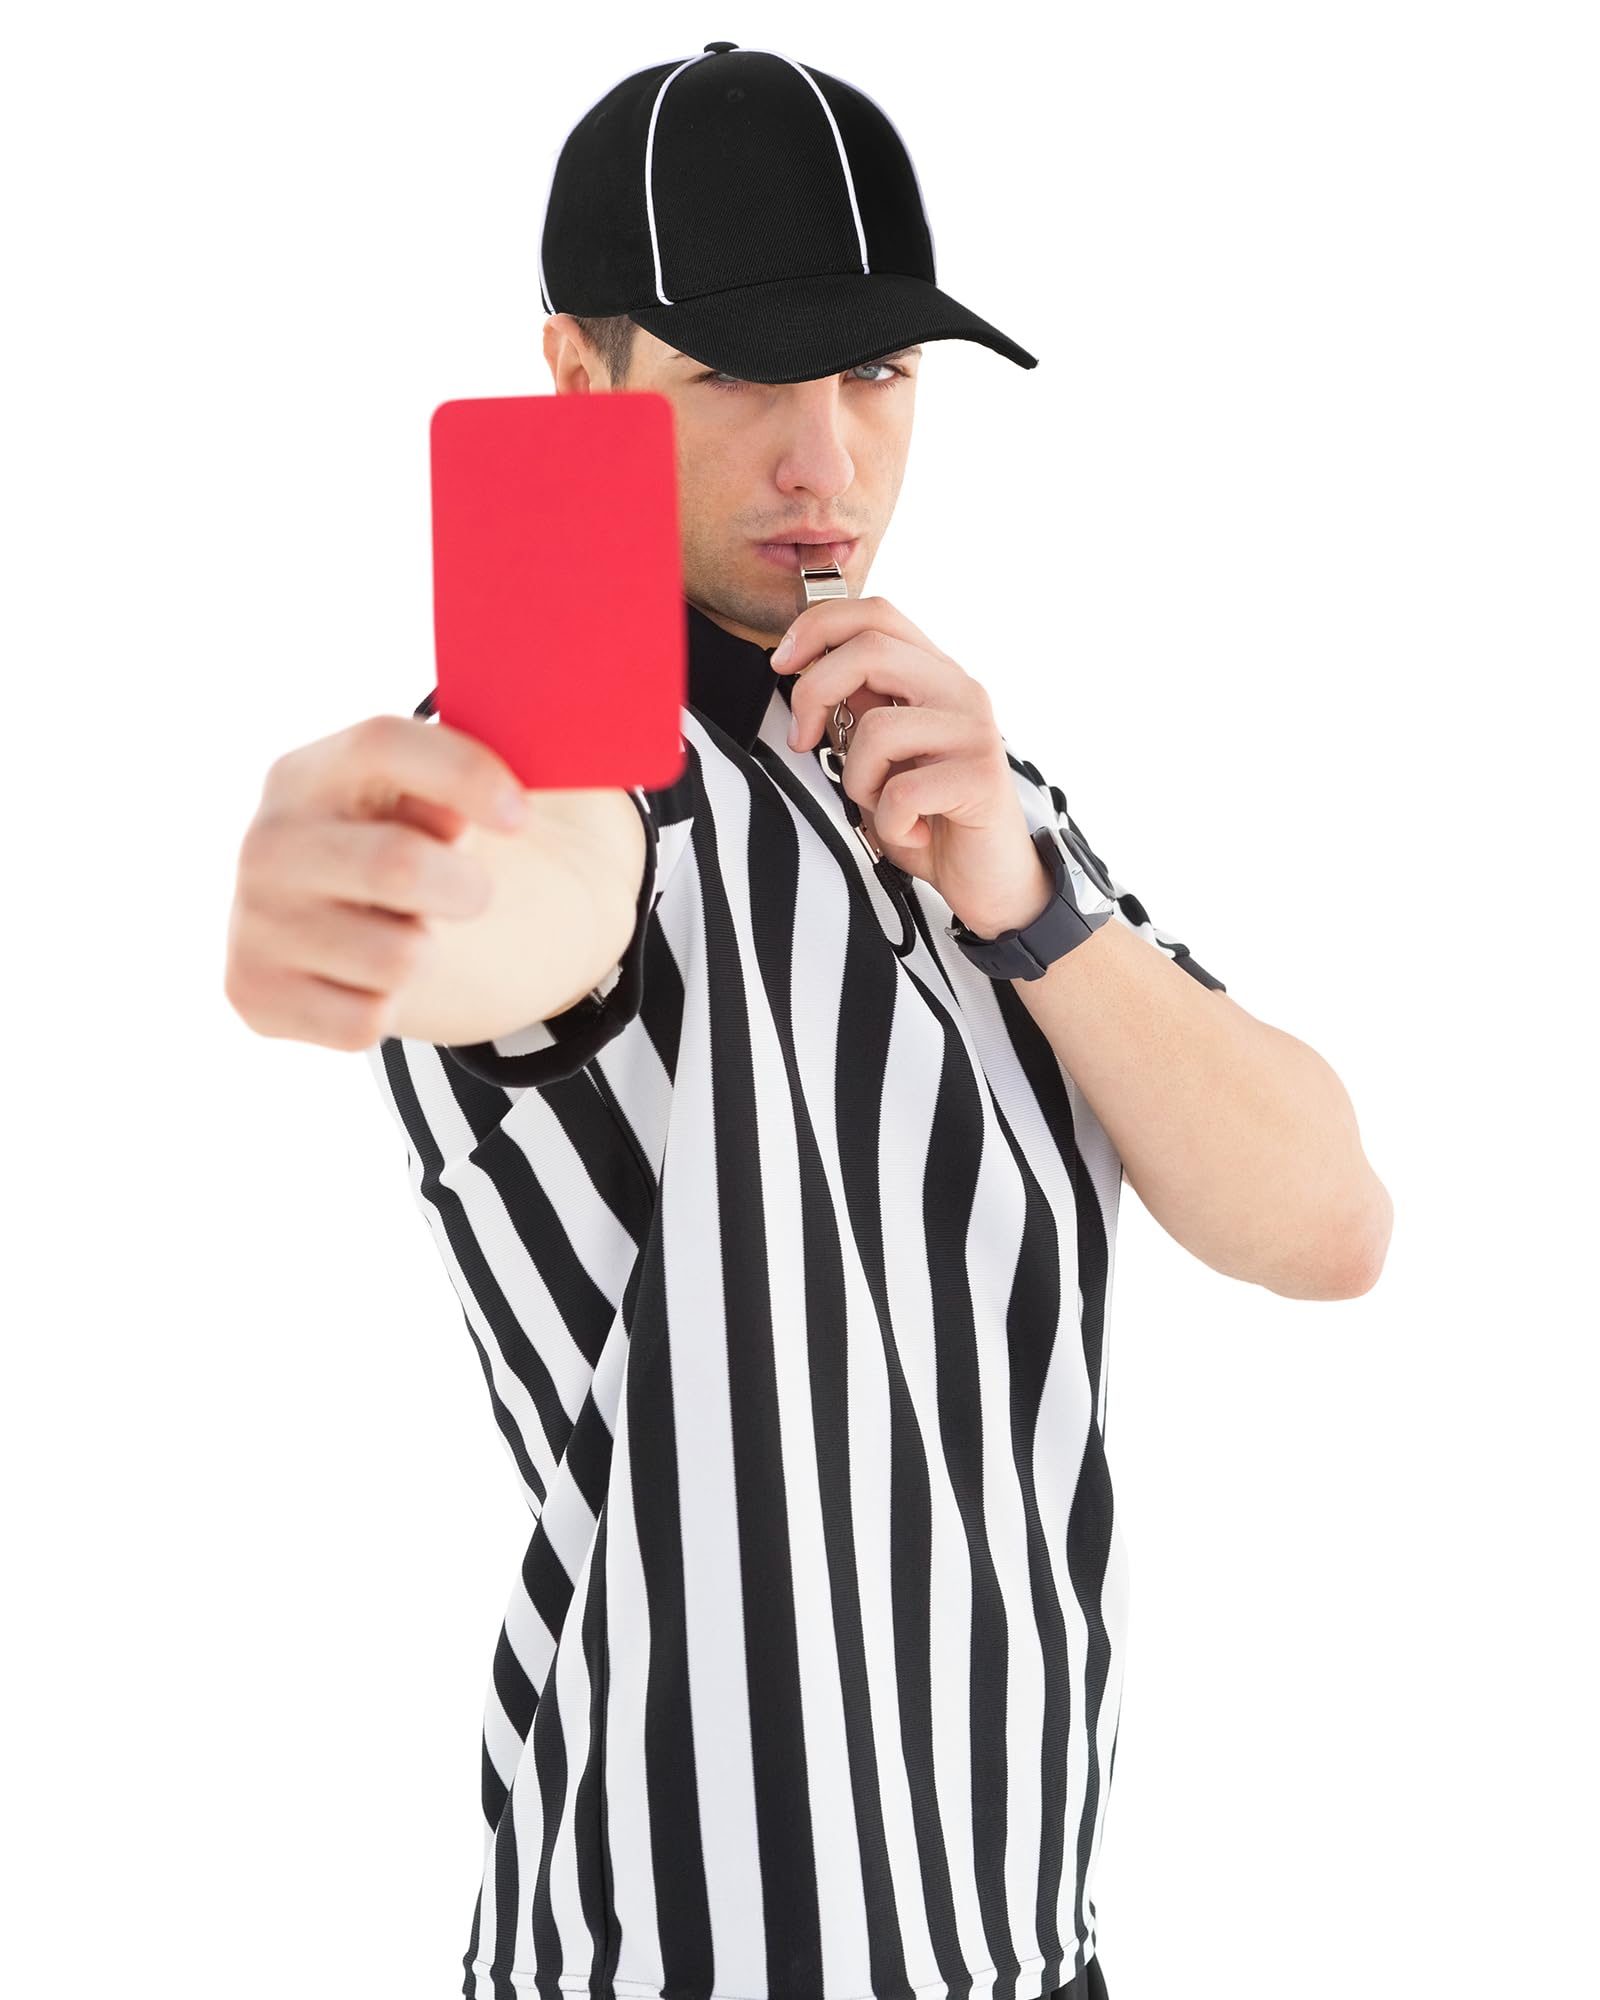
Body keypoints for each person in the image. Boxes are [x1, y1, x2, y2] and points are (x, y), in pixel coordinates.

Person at [224, 43, 1393, 2000]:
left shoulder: (966, 782)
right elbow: (533, 882)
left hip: (1017, 1941)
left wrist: (1031, 905)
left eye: (874, 373)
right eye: (740, 377)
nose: (825, 465)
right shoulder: (574, 755)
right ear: (579, 379)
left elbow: (1329, 1221)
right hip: (699, 1949)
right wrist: (375, 895)